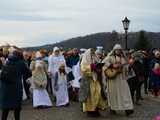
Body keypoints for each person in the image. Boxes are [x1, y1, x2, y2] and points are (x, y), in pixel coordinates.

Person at [0, 47, 32, 120]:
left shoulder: (7, 61)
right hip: (16, 88)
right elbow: (29, 74)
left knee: (5, 109)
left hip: (5, 88)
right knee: (17, 109)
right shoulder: (21, 63)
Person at [103, 44, 134, 116]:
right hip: (113, 79)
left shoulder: (124, 58)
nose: (118, 51)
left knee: (126, 93)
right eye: (117, 49)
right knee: (113, 94)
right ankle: (112, 108)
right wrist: (112, 65)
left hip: (122, 79)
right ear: (114, 50)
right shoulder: (110, 57)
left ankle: (128, 109)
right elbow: (103, 63)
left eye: (120, 50)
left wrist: (129, 66)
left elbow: (126, 68)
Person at [80, 49, 107, 117]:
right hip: (88, 81)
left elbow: (99, 67)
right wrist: (91, 67)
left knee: (98, 93)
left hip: (96, 79)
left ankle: (96, 109)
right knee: (90, 97)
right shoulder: (84, 60)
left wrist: (99, 68)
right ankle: (90, 111)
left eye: (93, 53)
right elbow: (83, 69)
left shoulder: (95, 59)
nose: (92, 54)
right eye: (91, 53)